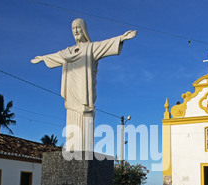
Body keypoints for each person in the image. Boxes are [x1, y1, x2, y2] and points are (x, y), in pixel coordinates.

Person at [31, 18, 136, 152]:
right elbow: (55, 56)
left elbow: (106, 44)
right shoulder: (67, 52)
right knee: (71, 118)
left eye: (78, 27)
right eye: (73, 28)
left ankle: (84, 149)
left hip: (85, 94)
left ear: (84, 30)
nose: (75, 31)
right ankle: (72, 148)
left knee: (85, 117)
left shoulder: (91, 48)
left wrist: (121, 38)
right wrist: (43, 58)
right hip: (71, 93)